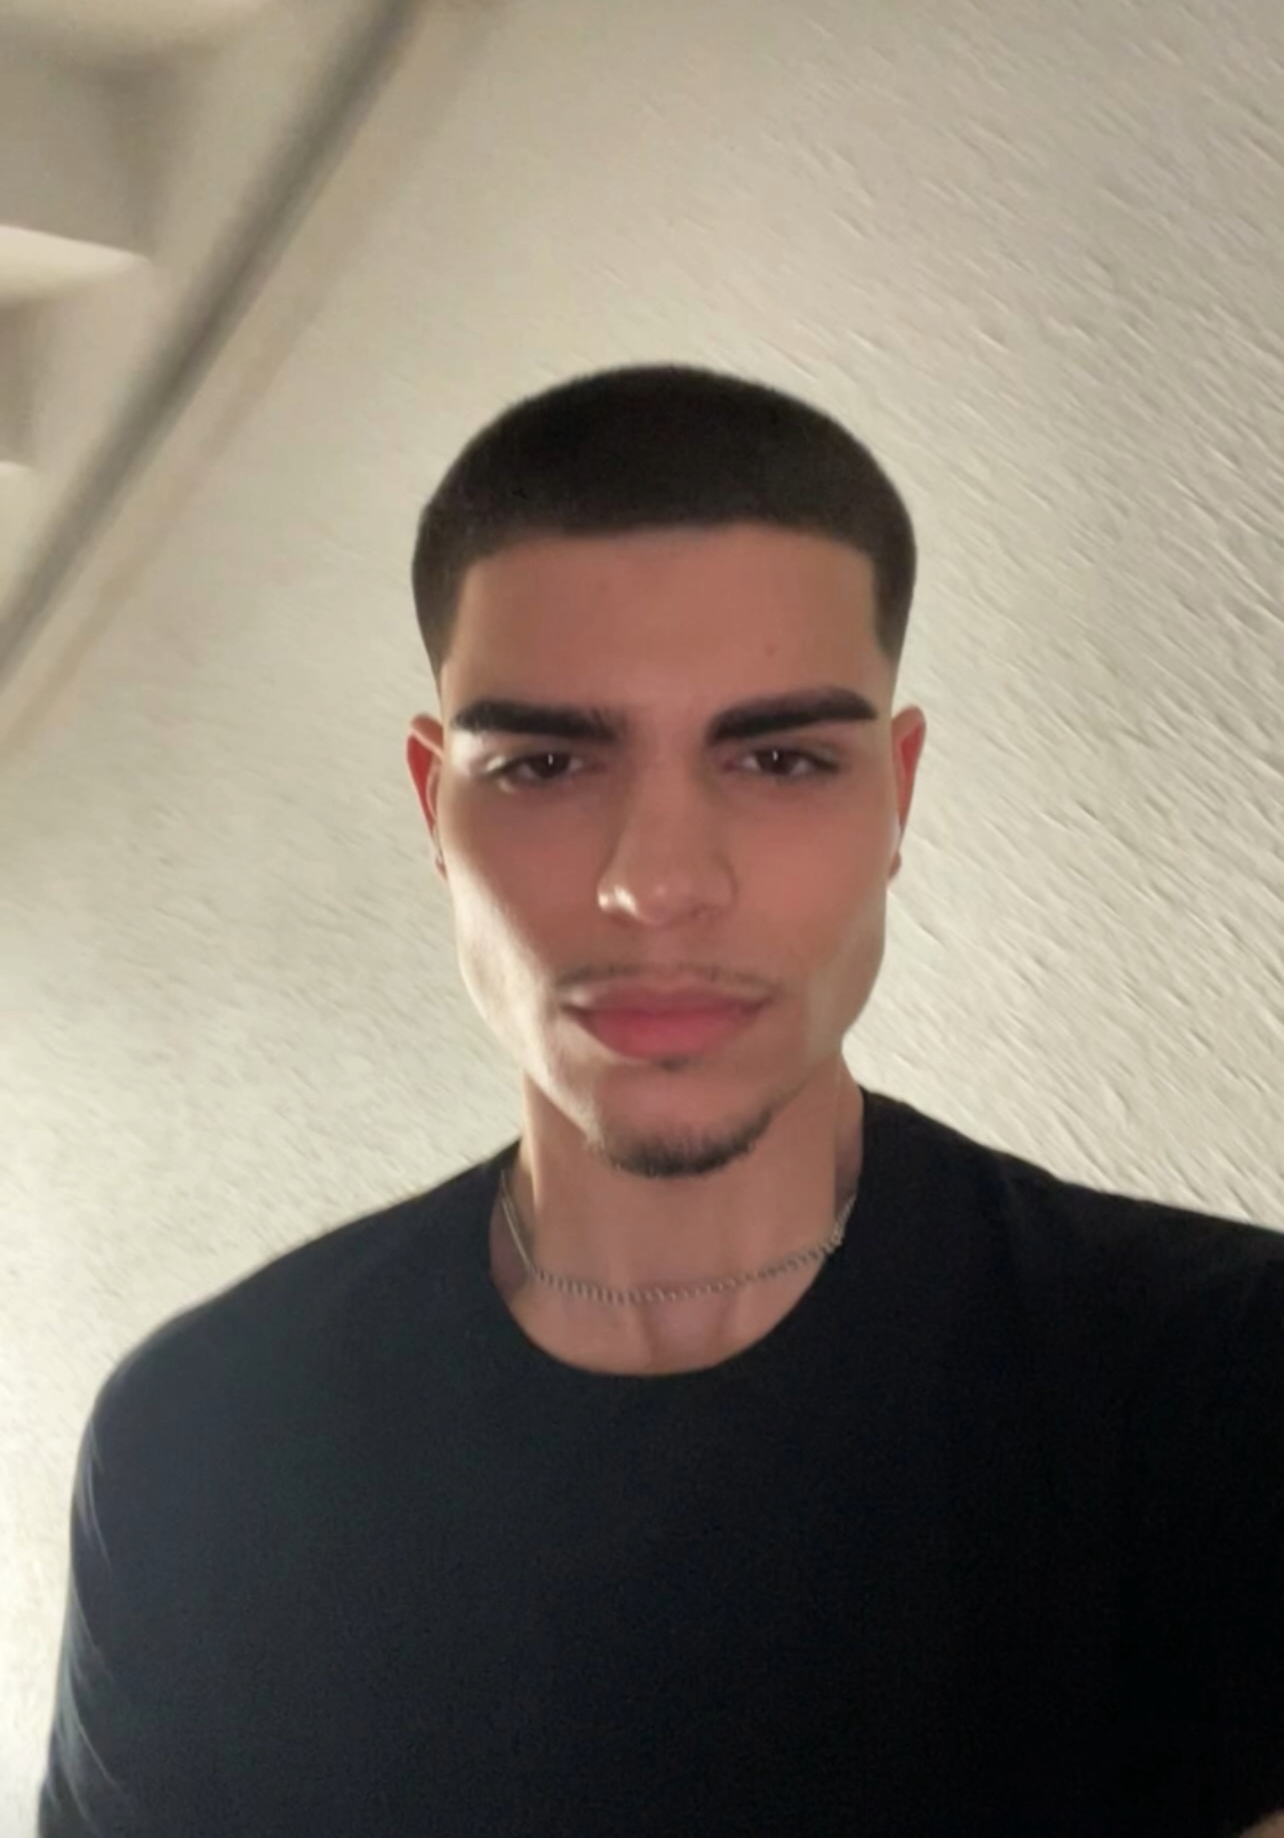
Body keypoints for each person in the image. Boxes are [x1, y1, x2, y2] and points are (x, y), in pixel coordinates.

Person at [39, 364, 1284, 1838]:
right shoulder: (205, 1438)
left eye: (780, 758)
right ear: (436, 802)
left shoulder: (1226, 1382)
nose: (660, 882)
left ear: (896, 795)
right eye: (546, 764)